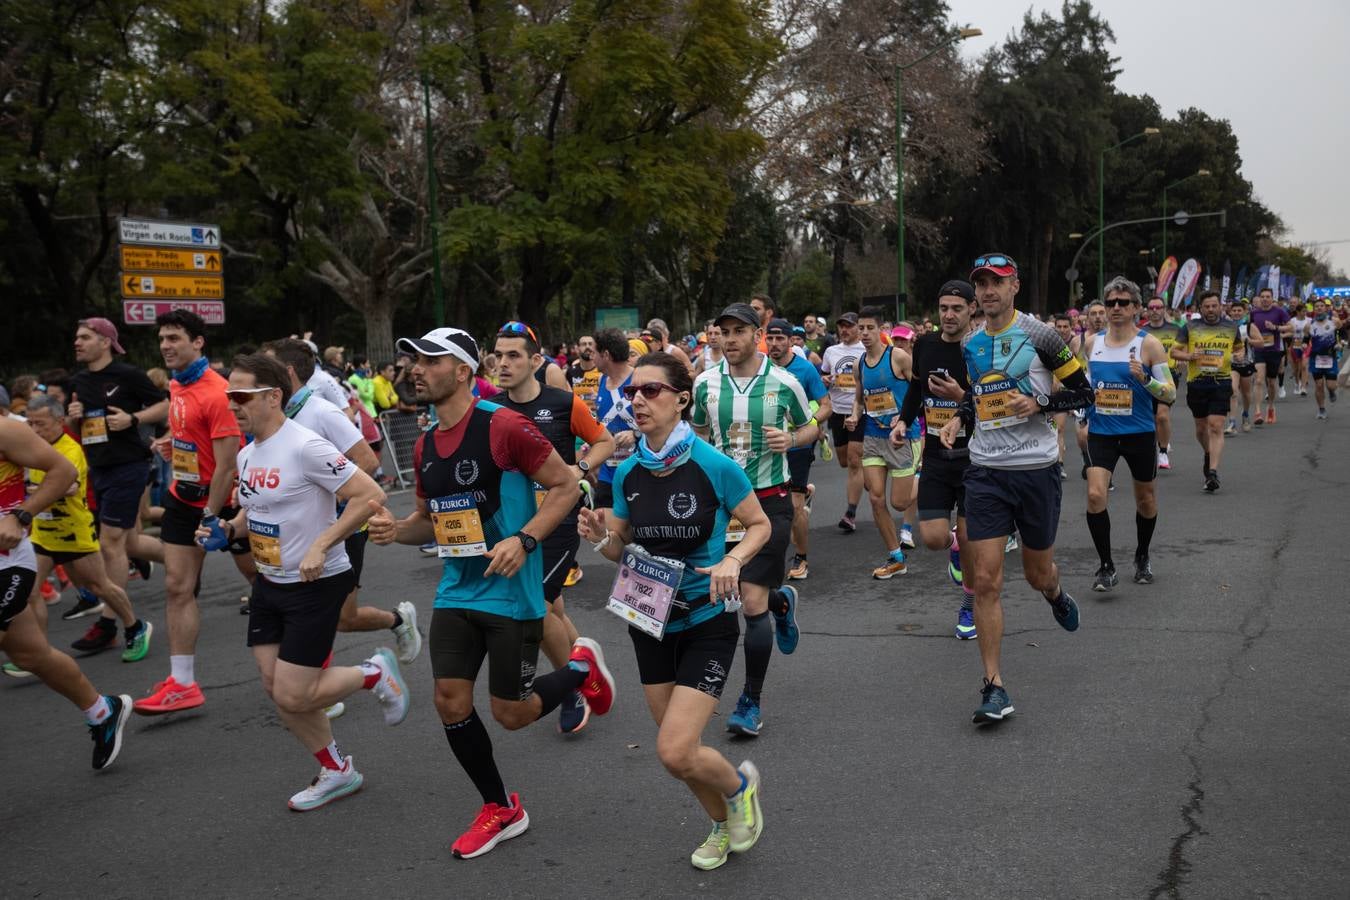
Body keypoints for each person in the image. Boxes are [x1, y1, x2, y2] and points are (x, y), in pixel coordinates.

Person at [367, 326, 615, 860]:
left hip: (510, 593)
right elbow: (429, 522)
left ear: (462, 372)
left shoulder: (503, 425)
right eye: (414, 361)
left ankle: (580, 668)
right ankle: (501, 807)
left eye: (430, 361)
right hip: (457, 591)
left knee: (512, 714)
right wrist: (394, 531)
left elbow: (565, 485)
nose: (416, 370)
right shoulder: (425, 444)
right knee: (448, 700)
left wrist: (524, 540)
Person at [576, 351, 768, 870]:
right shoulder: (628, 471)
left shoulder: (714, 465)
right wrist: (600, 537)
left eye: (651, 391)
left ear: (682, 399)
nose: (637, 400)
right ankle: (722, 824)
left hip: (707, 621)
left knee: (675, 750)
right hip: (648, 622)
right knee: (678, 754)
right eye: (632, 392)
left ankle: (740, 787)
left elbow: (760, 525)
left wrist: (733, 560)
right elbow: (620, 547)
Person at [207, 352, 409, 810]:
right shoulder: (248, 453)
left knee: (293, 692)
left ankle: (374, 673)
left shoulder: (305, 446)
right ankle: (337, 770)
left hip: (316, 583)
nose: (232, 404)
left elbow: (370, 493)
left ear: (273, 396)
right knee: (275, 686)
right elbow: (256, 508)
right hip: (270, 582)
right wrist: (230, 528)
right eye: (229, 396)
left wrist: (322, 543)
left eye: (242, 396)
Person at [938, 253, 1091, 725]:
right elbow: (980, 395)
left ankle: (1055, 593)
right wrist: (959, 419)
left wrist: (1039, 401)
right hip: (986, 471)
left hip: (1036, 471)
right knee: (985, 580)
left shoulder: (1042, 336)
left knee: (1036, 574)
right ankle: (994, 685)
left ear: (1014, 287)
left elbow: (1084, 392)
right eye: (981, 283)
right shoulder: (971, 341)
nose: (988, 291)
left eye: (997, 283)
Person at [264, 340, 422, 691]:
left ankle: (316, 686)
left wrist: (333, 493)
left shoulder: (322, 412)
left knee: (339, 617)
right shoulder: (278, 416)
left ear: (287, 372)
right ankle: (313, 685)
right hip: (302, 530)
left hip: (344, 525)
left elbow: (367, 461)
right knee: (326, 613)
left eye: (267, 368)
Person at [692, 303, 814, 738]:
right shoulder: (705, 383)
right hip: (722, 506)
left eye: (738, 331)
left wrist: (792, 438)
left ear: (756, 335)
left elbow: (812, 426)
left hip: (769, 502)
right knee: (729, 592)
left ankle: (750, 701)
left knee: (749, 601)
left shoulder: (784, 381)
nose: (729, 339)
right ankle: (783, 603)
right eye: (723, 331)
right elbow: (699, 435)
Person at [493, 323, 615, 734]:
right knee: (554, 608)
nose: (503, 363)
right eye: (498, 355)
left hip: (560, 519)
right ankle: (585, 659)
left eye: (513, 355)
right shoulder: (490, 408)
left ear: (535, 360)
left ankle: (572, 686)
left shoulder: (562, 403)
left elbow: (605, 441)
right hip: (515, 523)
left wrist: (579, 468)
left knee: (538, 606)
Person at [0, 416, 133, 770]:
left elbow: (63, 471)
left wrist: (21, 515)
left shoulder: (5, 430)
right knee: (31, 655)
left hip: (7, 562)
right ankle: (102, 711)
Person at [133, 309, 242, 715]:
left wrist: (212, 514)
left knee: (269, 584)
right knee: (178, 587)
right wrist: (173, 443)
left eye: (174, 338)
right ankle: (182, 683)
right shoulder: (178, 383)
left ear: (198, 342)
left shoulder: (218, 393)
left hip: (225, 502)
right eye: (162, 338)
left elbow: (227, 466)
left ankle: (309, 668)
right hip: (183, 497)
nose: (166, 346)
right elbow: (191, 431)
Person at [20, 395, 151, 662]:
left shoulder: (71, 450)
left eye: (40, 424)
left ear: (59, 421)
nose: (35, 430)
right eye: (30, 423)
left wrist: (35, 492)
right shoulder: (33, 449)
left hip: (73, 533)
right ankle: (38, 653)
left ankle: (135, 627)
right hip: (43, 534)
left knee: (100, 586)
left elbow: (69, 487)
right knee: (30, 592)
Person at [65, 317, 166, 634]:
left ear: (105, 341)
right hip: (98, 467)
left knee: (110, 543)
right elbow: (76, 428)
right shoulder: (77, 381)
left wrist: (132, 418)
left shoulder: (128, 375)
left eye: (85, 337)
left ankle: (111, 621)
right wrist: (74, 419)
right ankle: (183, 562)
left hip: (129, 464)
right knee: (130, 542)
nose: (77, 342)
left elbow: (164, 406)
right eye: (77, 337)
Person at [896, 280, 978, 638]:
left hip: (975, 458)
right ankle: (953, 548)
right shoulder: (926, 344)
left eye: (957, 308)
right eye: (944, 308)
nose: (949, 315)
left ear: (972, 309)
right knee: (932, 538)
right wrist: (903, 420)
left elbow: (993, 402)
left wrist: (962, 397)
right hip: (935, 456)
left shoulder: (980, 348)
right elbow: (916, 387)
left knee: (974, 541)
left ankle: (969, 605)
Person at [1081, 277, 1175, 590]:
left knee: (1146, 500)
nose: (1116, 308)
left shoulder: (1149, 345)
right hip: (1102, 433)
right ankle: (1106, 566)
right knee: (1095, 495)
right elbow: (1085, 384)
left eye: (1123, 303)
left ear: (1136, 307)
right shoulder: (1091, 344)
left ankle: (1142, 554)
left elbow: (1170, 393)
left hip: (1140, 433)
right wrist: (1081, 410)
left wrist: (1146, 380)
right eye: (1111, 303)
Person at [844, 307, 916, 579]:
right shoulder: (859, 364)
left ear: (881, 329)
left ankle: (923, 478)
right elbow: (859, 400)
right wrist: (854, 415)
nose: (864, 333)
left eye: (869, 328)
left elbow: (919, 391)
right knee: (875, 498)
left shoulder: (898, 357)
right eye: (860, 328)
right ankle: (896, 557)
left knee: (899, 503)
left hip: (901, 436)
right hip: (873, 435)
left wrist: (905, 416)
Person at [763, 319, 830, 581]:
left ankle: (801, 557)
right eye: (770, 339)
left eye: (780, 339)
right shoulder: (760, 367)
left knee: (794, 506)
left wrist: (808, 426)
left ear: (791, 341)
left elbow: (826, 405)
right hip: (768, 444)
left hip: (798, 444)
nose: (774, 344)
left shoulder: (805, 369)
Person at [1171, 291, 1255, 493]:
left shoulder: (1231, 327)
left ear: (1221, 307)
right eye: (1206, 306)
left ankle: (1213, 472)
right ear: (1200, 308)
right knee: (1201, 429)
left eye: (1214, 306)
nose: (1210, 309)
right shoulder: (1189, 327)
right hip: (1197, 383)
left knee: (1216, 425)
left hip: (1221, 381)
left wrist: (1238, 355)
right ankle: (1208, 453)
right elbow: (1174, 352)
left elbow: (1239, 349)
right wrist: (1190, 356)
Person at [820, 313, 866, 532]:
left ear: (858, 328)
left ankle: (850, 513)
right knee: (844, 461)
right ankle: (867, 475)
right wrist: (824, 380)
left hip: (861, 410)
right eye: (841, 327)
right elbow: (823, 375)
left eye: (849, 326)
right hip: (837, 411)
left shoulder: (865, 350)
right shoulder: (831, 351)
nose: (844, 330)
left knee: (854, 460)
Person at [593, 328, 638, 510]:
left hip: (638, 470)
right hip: (607, 473)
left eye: (595, 353)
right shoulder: (601, 381)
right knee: (603, 524)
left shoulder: (639, 379)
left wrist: (635, 434)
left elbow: (662, 421)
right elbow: (601, 423)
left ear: (605, 355)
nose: (592, 358)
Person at [1141, 298, 1181, 469]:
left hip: (1168, 376)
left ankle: (1163, 452)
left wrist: (1182, 358)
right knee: (1152, 416)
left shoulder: (1175, 329)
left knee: (1162, 415)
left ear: (1164, 309)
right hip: (1146, 378)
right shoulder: (1141, 331)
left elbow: (1182, 348)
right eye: (1151, 307)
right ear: (1147, 310)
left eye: (1158, 307)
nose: (1155, 310)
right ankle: (1160, 440)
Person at [1250, 288, 1291, 425]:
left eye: (1268, 296)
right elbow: (1249, 328)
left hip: (1274, 351)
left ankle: (1271, 407)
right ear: (1259, 298)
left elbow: (1290, 327)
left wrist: (1276, 327)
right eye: (1262, 296)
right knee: (1259, 380)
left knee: (1272, 383)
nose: (1265, 299)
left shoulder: (1279, 311)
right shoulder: (1254, 313)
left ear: (1272, 298)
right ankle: (1257, 412)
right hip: (1259, 350)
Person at [1308, 301, 1339, 418]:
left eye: (1321, 306)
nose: (1319, 308)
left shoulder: (1334, 321)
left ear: (1325, 308)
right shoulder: (1310, 324)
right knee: (1319, 385)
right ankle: (1321, 409)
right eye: (1317, 306)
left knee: (1331, 385)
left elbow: (1341, 333)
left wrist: (1340, 343)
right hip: (1316, 358)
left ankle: (1331, 391)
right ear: (1314, 309)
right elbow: (1306, 338)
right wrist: (1304, 344)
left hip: (1330, 357)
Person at [566, 335, 601, 415]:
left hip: (599, 415)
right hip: (578, 415)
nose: (587, 346)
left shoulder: (602, 370)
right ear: (578, 348)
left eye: (590, 344)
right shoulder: (570, 371)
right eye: (584, 344)